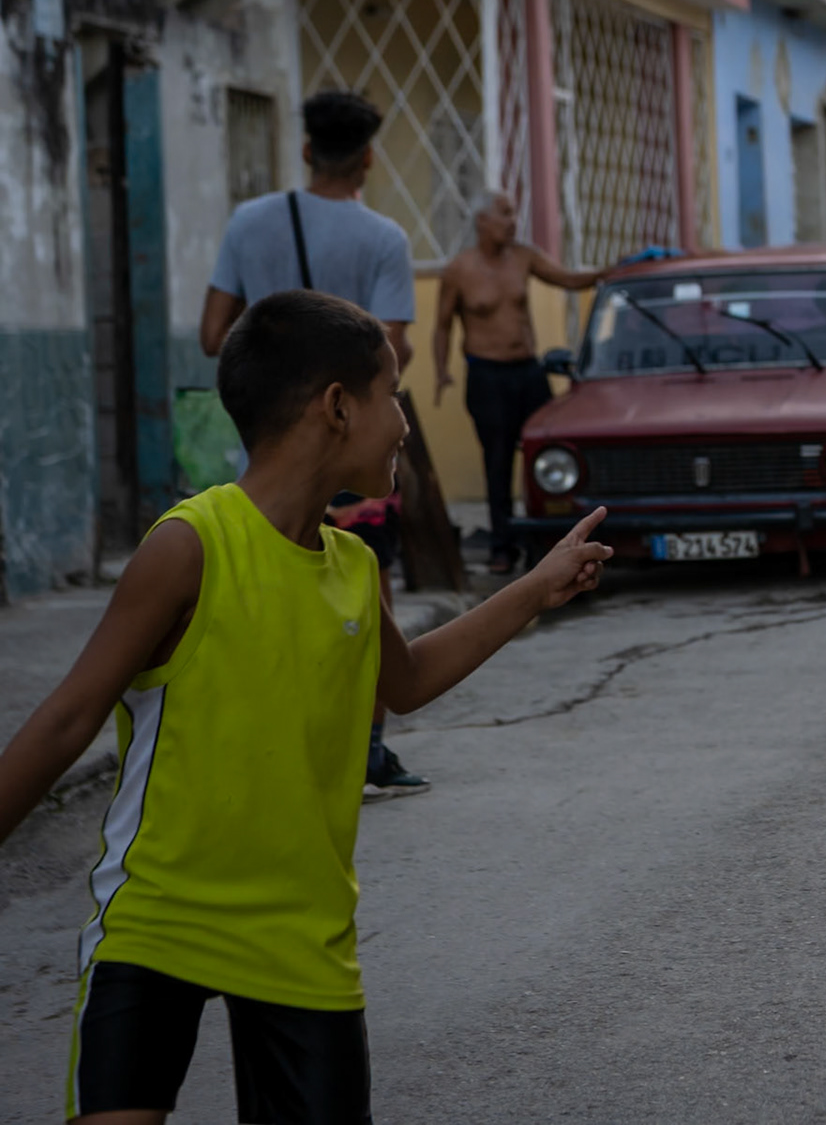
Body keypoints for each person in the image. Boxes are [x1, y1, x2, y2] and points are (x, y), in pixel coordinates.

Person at [0, 291, 613, 1123]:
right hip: (157, 922)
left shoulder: (353, 567)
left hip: (303, 941)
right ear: (336, 406)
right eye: (391, 394)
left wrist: (535, 589)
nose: (404, 423)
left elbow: (407, 681)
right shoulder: (190, 546)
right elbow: (69, 718)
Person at [199, 88, 428, 798]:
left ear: (305, 149)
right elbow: (392, 352)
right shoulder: (383, 239)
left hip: (269, 453)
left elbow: (212, 335)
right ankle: (368, 750)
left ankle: (272, 742)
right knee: (365, 587)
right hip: (350, 452)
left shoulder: (249, 222)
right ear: (368, 159)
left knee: (262, 593)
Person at [436, 192, 617, 574]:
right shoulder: (459, 269)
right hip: (488, 375)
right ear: (482, 221)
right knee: (498, 460)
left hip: (528, 371)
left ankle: (552, 542)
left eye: (514, 213)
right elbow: (442, 325)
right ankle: (502, 547)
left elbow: (569, 279)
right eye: (504, 214)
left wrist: (611, 272)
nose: (512, 221)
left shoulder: (523, 257)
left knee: (550, 450)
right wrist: (441, 371)